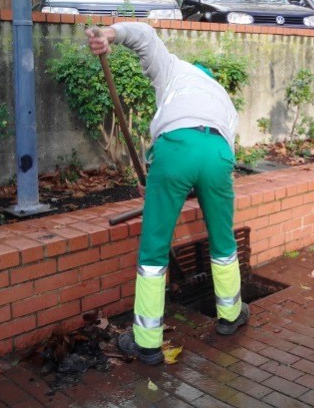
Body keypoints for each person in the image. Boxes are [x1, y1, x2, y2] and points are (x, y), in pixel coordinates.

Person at [86, 22, 249, 365]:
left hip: (174, 151)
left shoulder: (176, 70)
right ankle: (230, 316)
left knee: (154, 248)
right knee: (222, 239)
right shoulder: (220, 95)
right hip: (218, 153)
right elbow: (206, 161)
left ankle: (147, 342)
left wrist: (108, 35)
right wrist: (165, 181)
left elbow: (144, 37)